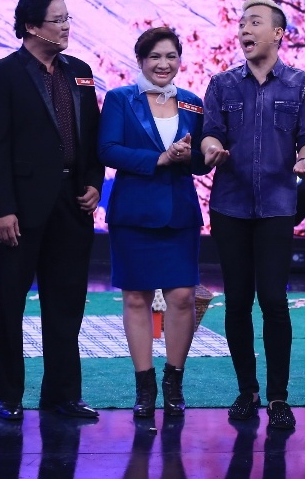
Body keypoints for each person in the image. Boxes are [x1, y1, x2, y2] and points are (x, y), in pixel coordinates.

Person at [0, 0, 103, 421]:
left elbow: (93, 135)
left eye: (68, 19)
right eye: (58, 20)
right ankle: (9, 394)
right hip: (21, 207)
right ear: (31, 26)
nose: (66, 27)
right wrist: (2, 208)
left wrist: (94, 182)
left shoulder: (80, 72)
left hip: (73, 202)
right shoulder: (2, 74)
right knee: (10, 302)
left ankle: (62, 394)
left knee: (67, 301)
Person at [201, 0, 305, 430]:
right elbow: (210, 133)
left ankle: (277, 397)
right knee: (237, 300)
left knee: (273, 299)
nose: (244, 30)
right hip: (230, 205)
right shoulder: (222, 84)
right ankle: (246, 391)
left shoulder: (301, 84)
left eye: (254, 22)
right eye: (241, 24)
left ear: (278, 33)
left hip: (276, 206)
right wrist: (211, 148)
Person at [98, 27, 210, 418]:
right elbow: (107, 150)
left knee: (181, 298)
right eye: (155, 57)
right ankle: (144, 386)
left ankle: (173, 383)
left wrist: (198, 156)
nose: (163, 64)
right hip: (134, 214)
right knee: (136, 298)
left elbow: (200, 163)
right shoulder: (120, 99)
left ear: (180, 60)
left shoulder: (193, 103)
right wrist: (159, 158)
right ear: (141, 60)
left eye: (171, 57)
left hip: (180, 212)